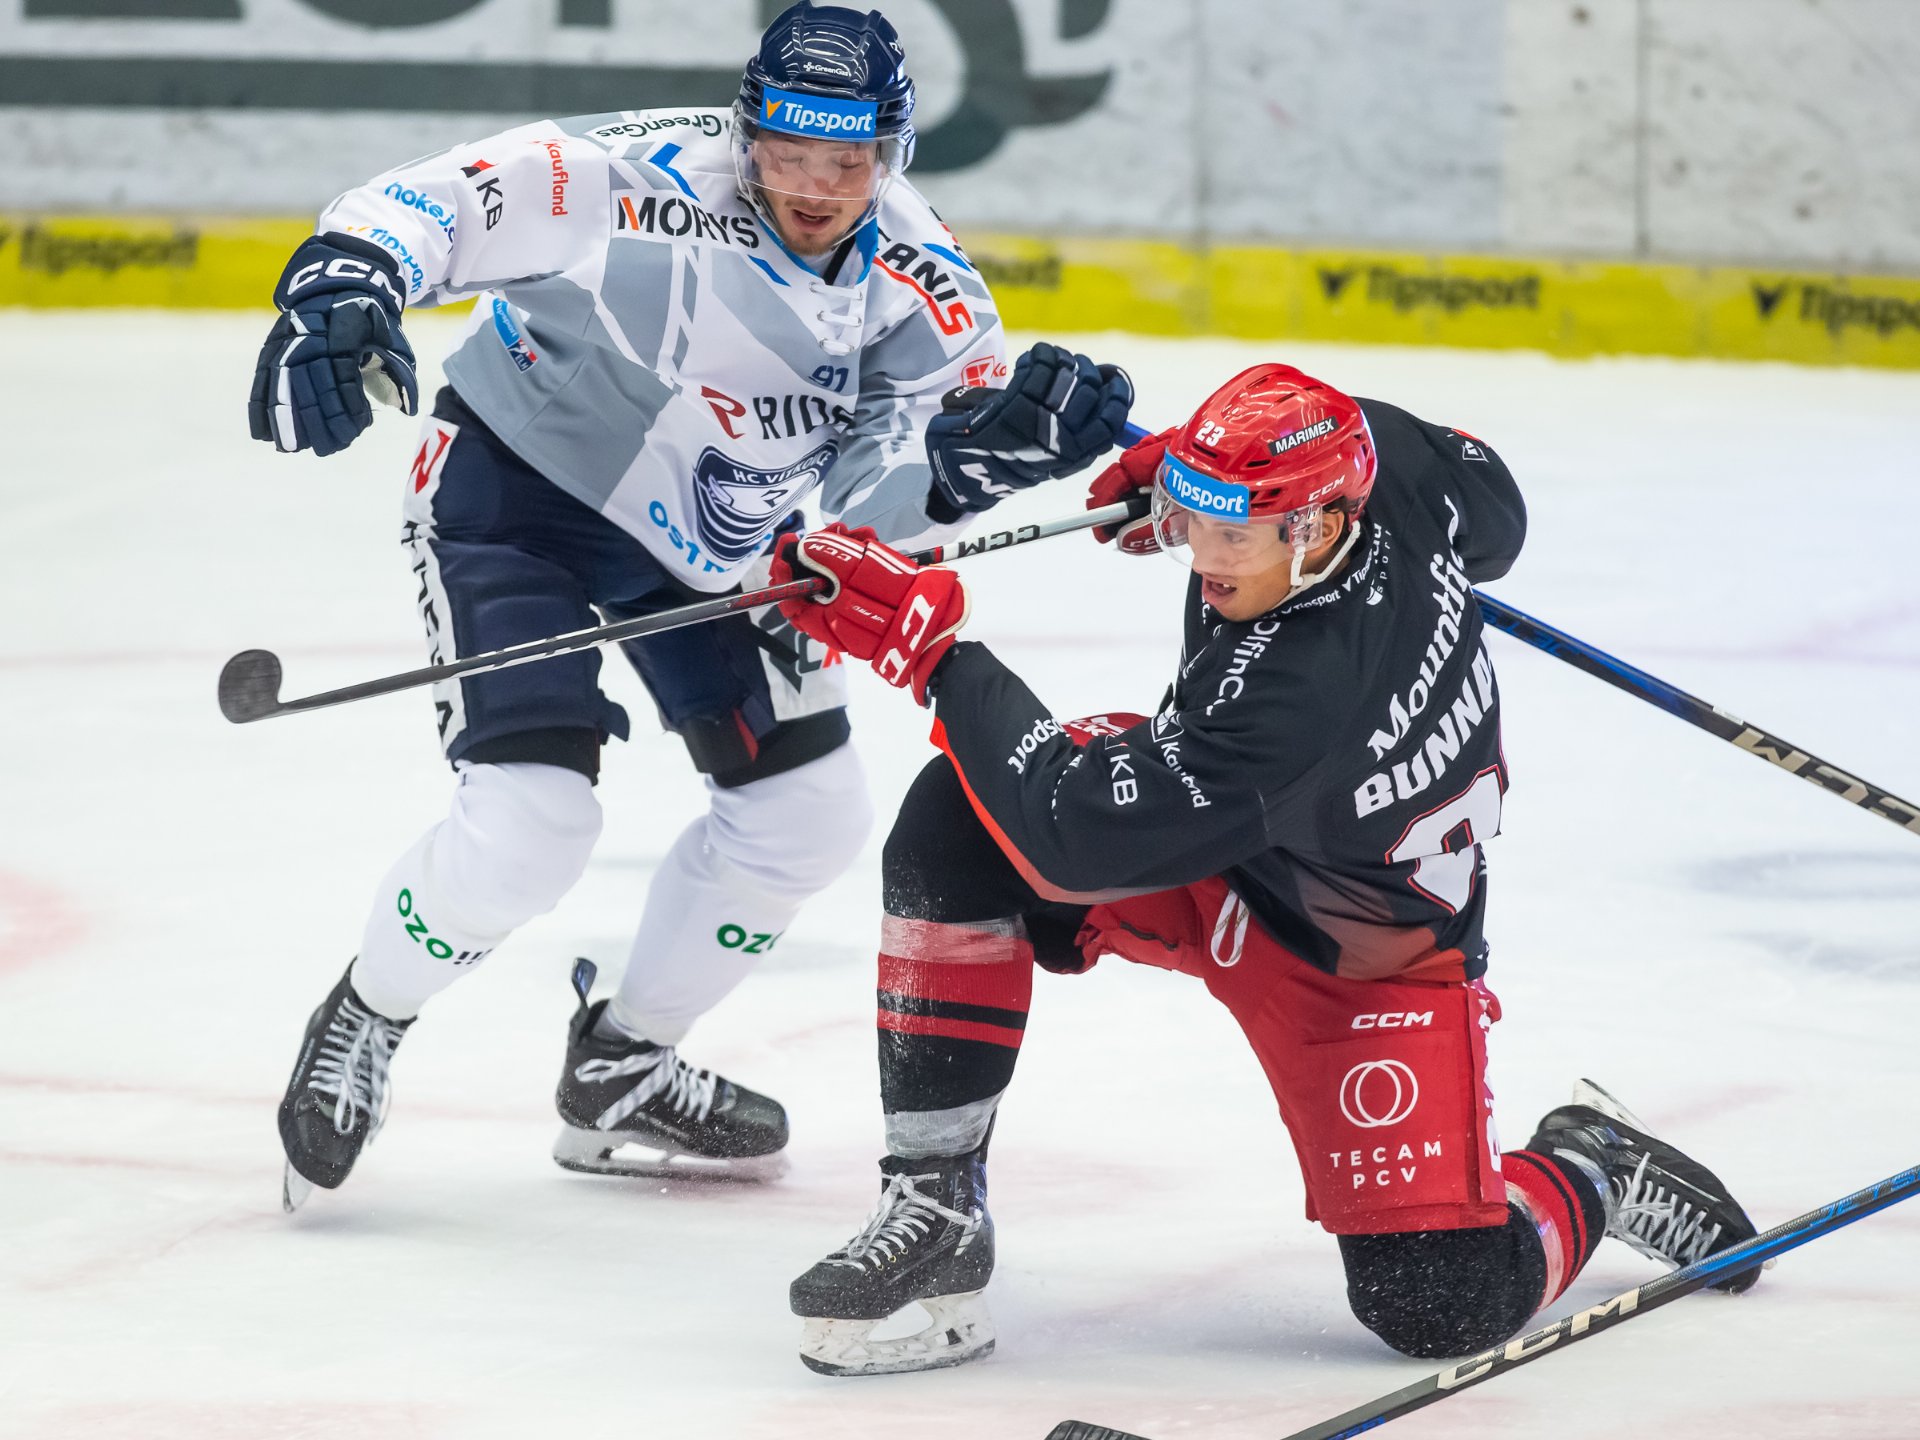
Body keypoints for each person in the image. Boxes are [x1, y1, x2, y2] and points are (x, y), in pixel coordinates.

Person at [246, 0, 1135, 1210]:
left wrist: (977, 463)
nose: (818, 188)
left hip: (723, 545)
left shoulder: (923, 285)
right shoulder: (637, 175)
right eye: (790, 151)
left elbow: (871, 513)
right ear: (745, 128)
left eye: (851, 161)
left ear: (895, 154)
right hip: (520, 498)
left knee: (808, 817)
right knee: (530, 826)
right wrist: (347, 287)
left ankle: (622, 1062)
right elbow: (429, 203)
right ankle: (369, 1009)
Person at [767, 363, 1761, 1375]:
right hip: (1229, 842)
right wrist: (1200, 481)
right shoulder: (1383, 456)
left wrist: (935, 653)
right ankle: (935, 1201)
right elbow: (1496, 521)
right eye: (1191, 522)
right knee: (964, 819)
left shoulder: (1298, 693)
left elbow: (1077, 837)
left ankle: (1594, 1165)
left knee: (1437, 1301)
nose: (1201, 555)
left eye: (1230, 535)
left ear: (1319, 527)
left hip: (1366, 958)